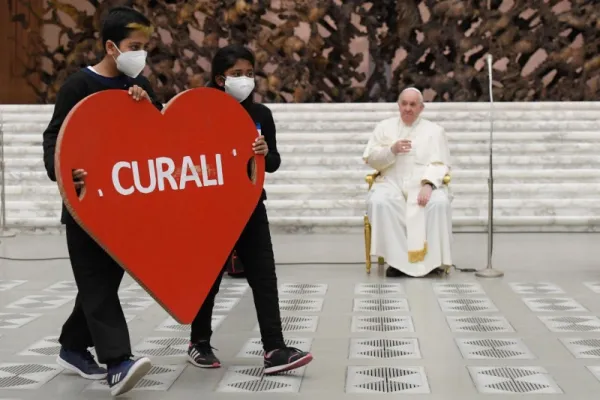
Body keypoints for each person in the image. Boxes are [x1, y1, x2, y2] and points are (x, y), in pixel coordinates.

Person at [42, 6, 162, 396]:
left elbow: (160, 137)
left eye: (144, 47)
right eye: (134, 46)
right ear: (111, 47)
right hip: (85, 207)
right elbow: (55, 139)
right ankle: (117, 362)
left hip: (124, 206)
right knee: (96, 282)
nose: (140, 54)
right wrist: (66, 173)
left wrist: (146, 107)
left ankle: (73, 347)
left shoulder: (140, 86)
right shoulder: (78, 86)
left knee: (102, 282)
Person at [187, 44, 313, 375]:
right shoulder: (201, 111)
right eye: (236, 74)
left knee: (264, 276)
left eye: (249, 73)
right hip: (212, 208)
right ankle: (198, 342)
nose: (245, 79)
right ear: (220, 79)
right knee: (209, 278)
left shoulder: (261, 115)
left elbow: (273, 163)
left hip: (251, 206)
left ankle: (275, 348)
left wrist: (264, 152)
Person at [363, 87, 453, 278]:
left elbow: (441, 163)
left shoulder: (435, 131)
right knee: (380, 202)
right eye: (404, 104)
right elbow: (371, 159)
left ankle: (432, 262)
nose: (408, 108)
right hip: (391, 181)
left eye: (413, 104)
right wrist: (391, 150)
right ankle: (396, 261)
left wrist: (428, 184)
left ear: (421, 108)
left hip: (422, 184)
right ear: (398, 105)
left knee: (438, 203)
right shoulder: (384, 127)